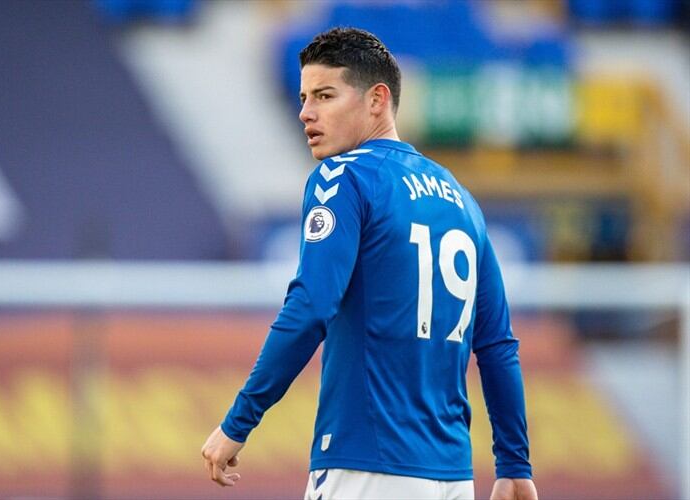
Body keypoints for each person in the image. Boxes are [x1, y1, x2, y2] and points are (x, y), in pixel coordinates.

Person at [201, 27, 537, 500]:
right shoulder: (461, 200)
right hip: (452, 476)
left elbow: (311, 307)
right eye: (302, 97)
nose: (305, 113)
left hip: (365, 465)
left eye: (324, 95)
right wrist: (514, 463)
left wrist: (239, 421)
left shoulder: (344, 177)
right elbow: (497, 344)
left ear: (377, 99)